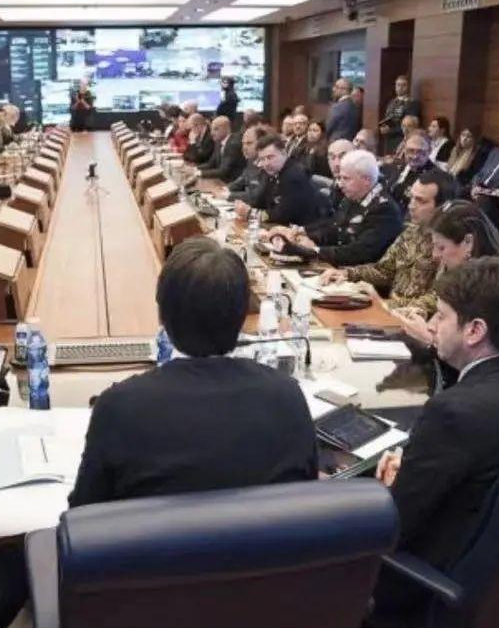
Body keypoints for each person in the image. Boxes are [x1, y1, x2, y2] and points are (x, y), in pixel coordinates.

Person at [69, 238, 318, 507]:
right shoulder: (287, 396)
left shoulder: (118, 407)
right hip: (262, 536)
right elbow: (306, 500)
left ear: (162, 314)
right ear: (243, 315)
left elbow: (83, 516)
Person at [374, 258, 499, 583]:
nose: (432, 326)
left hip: (427, 575)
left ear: (475, 330)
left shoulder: (452, 413)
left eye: (441, 316)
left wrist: (393, 484)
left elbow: (395, 524)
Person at [320, 171, 453, 313]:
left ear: (444, 206)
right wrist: (348, 273)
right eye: (412, 197)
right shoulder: (411, 232)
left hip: (412, 318)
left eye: (421, 201)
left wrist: (383, 303)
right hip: (389, 311)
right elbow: (384, 270)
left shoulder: (450, 245)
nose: (411, 206)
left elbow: (435, 300)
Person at [392, 202, 499, 345]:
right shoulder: (455, 273)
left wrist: (427, 340)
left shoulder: (492, 288)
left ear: (468, 242)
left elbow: (470, 351)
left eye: (441, 247)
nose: (435, 255)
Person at [272, 149, 402, 267]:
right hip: (340, 266)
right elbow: (336, 229)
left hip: (361, 276)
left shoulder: (384, 209)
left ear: (366, 180)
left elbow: (360, 253)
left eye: (346, 178)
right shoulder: (353, 197)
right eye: (340, 178)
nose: (340, 184)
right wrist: (304, 236)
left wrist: (315, 251)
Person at [234, 133, 322, 227]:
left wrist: (252, 213)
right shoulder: (272, 172)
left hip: (299, 228)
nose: (266, 163)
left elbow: (283, 214)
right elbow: (260, 201)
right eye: (262, 159)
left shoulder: (294, 175)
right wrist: (244, 206)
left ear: (283, 153)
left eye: (270, 157)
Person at [386, 131, 454, 208]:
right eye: (411, 150)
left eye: (420, 152)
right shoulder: (400, 167)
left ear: (429, 151)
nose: (415, 156)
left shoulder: (436, 178)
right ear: (404, 149)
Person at [379, 75, 421, 156]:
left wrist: (390, 131)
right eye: (398, 85)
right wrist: (383, 127)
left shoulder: (412, 103)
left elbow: (410, 125)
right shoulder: (391, 102)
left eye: (403, 85)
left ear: (408, 87)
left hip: (401, 139)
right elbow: (388, 119)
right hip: (388, 139)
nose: (400, 88)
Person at [226, 125, 269, 203]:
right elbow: (241, 180)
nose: (244, 148)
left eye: (249, 143)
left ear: (262, 143)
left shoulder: (268, 165)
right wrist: (225, 189)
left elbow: (257, 195)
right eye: (243, 143)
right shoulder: (251, 160)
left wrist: (230, 195)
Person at [199, 116, 245, 182]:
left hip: (231, 182)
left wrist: (200, 173)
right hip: (220, 180)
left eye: (216, 129)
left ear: (226, 129)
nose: (212, 133)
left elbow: (223, 171)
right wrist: (195, 169)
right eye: (211, 129)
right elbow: (210, 164)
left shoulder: (234, 144)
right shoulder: (218, 142)